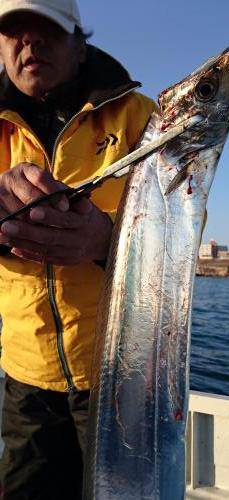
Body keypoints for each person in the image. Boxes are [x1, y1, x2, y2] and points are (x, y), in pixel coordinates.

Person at [0, 0, 156, 498]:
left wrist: (111, 239)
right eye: (14, 32)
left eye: (44, 29)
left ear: (78, 40)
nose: (30, 43)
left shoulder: (142, 117)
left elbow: (181, 232)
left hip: (121, 378)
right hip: (25, 378)